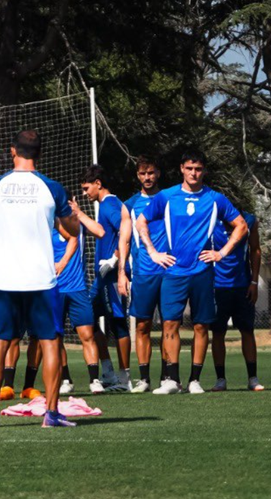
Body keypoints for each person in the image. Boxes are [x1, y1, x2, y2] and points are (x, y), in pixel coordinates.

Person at [0, 130, 81, 428]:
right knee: (50, 343)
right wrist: (73, 215)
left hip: (4, 279)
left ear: (13, 151)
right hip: (41, 279)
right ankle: (51, 414)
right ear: (40, 153)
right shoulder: (52, 188)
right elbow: (73, 230)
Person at [134, 149, 249, 395]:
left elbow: (241, 226)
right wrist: (154, 253)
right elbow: (140, 221)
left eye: (198, 169)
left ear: (204, 171)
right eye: (189, 168)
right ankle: (172, 381)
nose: (194, 173)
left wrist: (222, 252)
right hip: (173, 272)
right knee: (170, 323)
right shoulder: (165, 196)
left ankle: (195, 380)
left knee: (201, 326)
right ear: (181, 169)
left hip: (202, 272)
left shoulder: (216, 199)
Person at [48, 169, 106, 395]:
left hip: (78, 288)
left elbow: (100, 232)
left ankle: (94, 380)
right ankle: (65, 380)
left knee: (87, 334)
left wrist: (79, 213)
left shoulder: (77, 223)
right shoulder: (45, 226)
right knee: (56, 337)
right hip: (53, 289)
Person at [79, 165, 131, 392]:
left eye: (86, 188)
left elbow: (125, 234)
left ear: (98, 183)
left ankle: (125, 378)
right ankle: (108, 372)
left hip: (112, 277)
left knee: (118, 322)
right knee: (85, 319)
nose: (84, 193)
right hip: (101, 279)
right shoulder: (103, 207)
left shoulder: (111, 204)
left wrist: (114, 259)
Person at [117, 157, 164, 393]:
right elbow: (124, 240)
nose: (148, 177)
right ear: (137, 175)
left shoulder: (168, 199)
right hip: (143, 273)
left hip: (169, 272)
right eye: (143, 173)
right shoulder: (130, 204)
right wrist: (122, 273)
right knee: (143, 325)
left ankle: (169, 377)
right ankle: (144, 379)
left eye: (151, 173)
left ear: (158, 174)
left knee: (170, 325)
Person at [211, 210, 262, 392]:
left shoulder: (248, 221)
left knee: (247, 330)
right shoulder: (210, 221)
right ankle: (220, 379)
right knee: (218, 332)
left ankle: (253, 378)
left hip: (242, 286)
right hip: (217, 286)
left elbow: (255, 250)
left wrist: (254, 282)